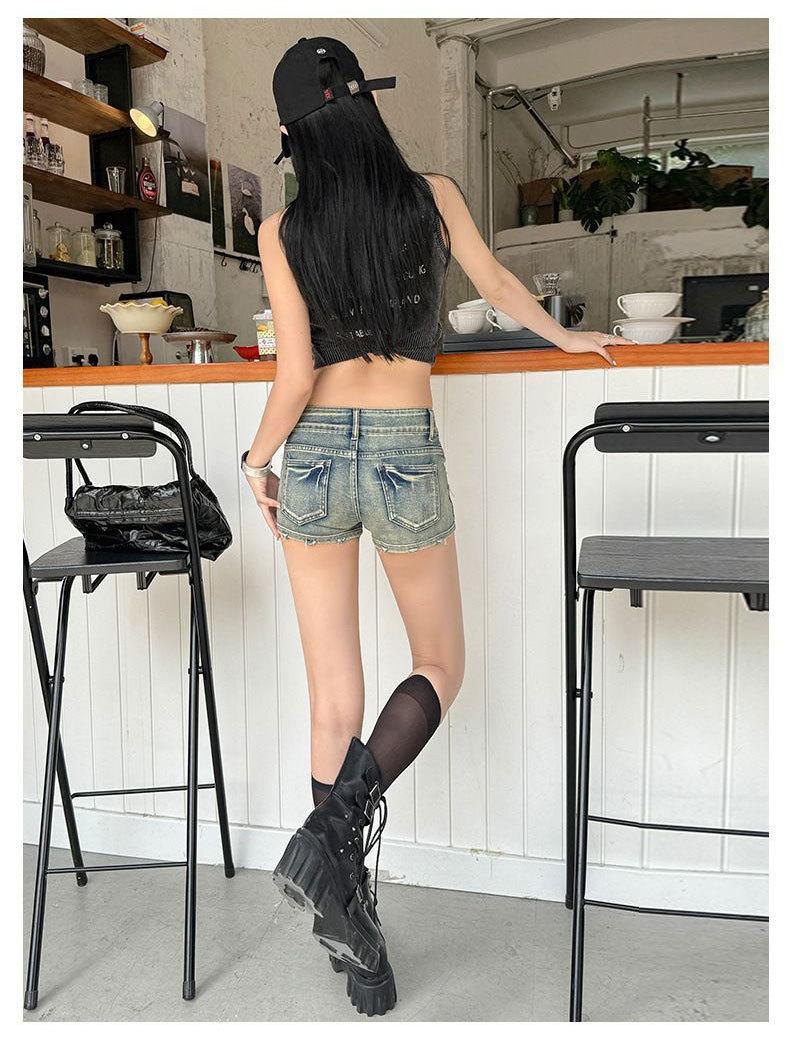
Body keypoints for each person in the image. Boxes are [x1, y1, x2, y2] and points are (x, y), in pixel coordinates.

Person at [242, 37, 631, 1017]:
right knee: (439, 664)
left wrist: (256, 461)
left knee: (332, 701)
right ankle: (334, 842)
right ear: (364, 105)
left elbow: (295, 373)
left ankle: (353, 927)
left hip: (315, 451)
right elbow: (495, 285)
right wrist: (565, 335)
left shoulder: (283, 228)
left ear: (296, 135)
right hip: (403, 446)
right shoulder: (433, 195)